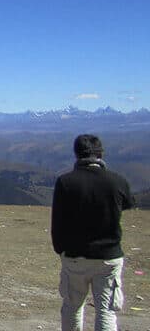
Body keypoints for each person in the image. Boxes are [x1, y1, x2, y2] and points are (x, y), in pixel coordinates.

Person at [51, 134, 135, 331]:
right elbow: (129, 204)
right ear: (100, 154)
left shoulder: (65, 182)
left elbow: (58, 221)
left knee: (72, 307)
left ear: (76, 154)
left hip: (75, 256)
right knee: (105, 310)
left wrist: (60, 249)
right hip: (108, 257)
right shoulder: (117, 181)